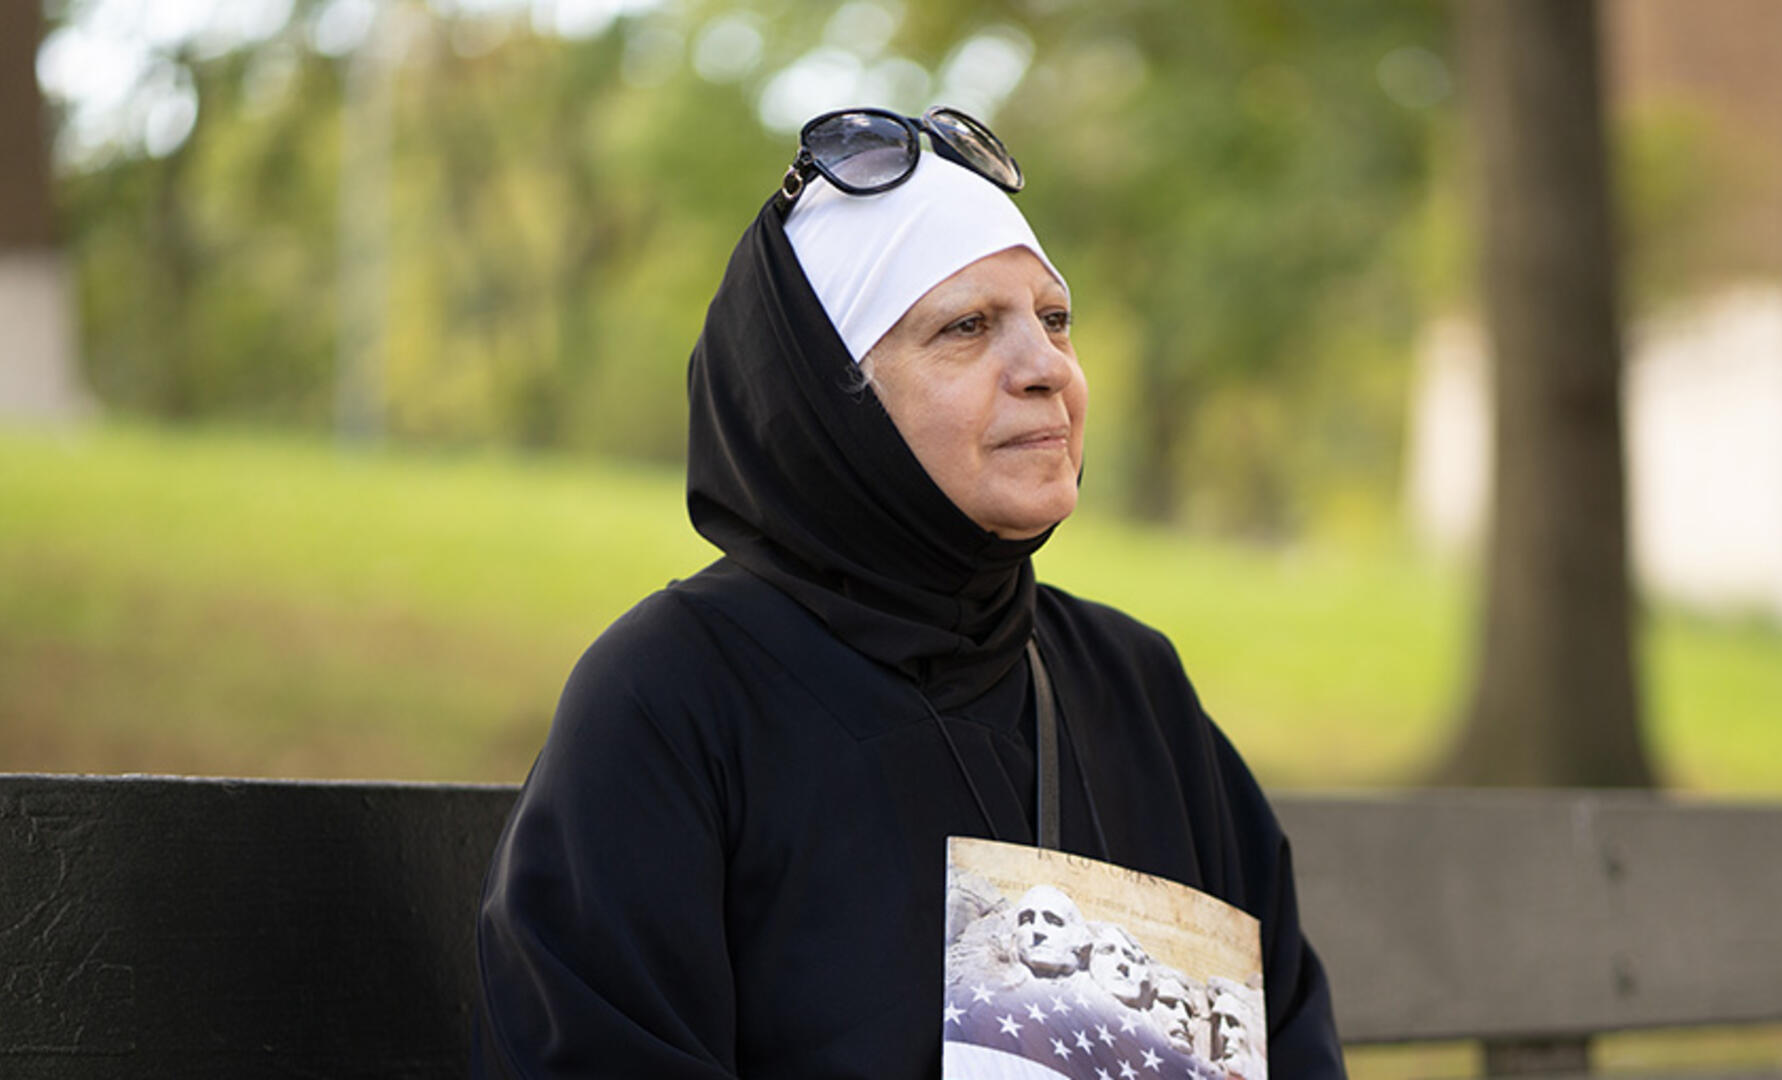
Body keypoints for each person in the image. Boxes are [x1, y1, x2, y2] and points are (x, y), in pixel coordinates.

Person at [471, 106, 1344, 1079]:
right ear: (829, 401)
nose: (1046, 369)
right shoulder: (676, 694)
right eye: (966, 328)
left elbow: (1286, 1033)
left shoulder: (1131, 684)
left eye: (1054, 321)